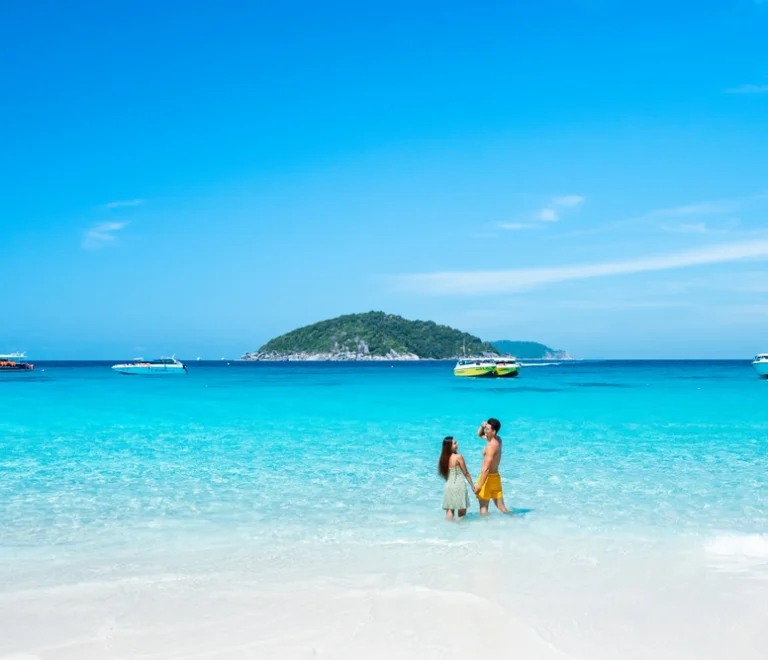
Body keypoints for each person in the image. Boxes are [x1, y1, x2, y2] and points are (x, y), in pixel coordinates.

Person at [474, 418, 510, 515]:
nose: (485, 431)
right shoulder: (498, 440)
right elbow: (479, 434)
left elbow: (486, 469)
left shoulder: (490, 447)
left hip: (487, 479)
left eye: (488, 429)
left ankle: (484, 528)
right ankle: (517, 520)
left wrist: (479, 486)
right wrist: (482, 426)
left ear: (493, 431)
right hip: (496, 478)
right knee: (502, 507)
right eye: (486, 428)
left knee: (483, 507)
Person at [438, 436, 474, 520]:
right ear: (449, 446)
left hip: (449, 486)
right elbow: (466, 473)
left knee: (450, 511)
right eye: (455, 443)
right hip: (459, 485)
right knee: (462, 513)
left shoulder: (443, 458)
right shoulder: (458, 457)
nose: (457, 445)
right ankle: (459, 530)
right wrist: (472, 485)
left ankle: (448, 529)